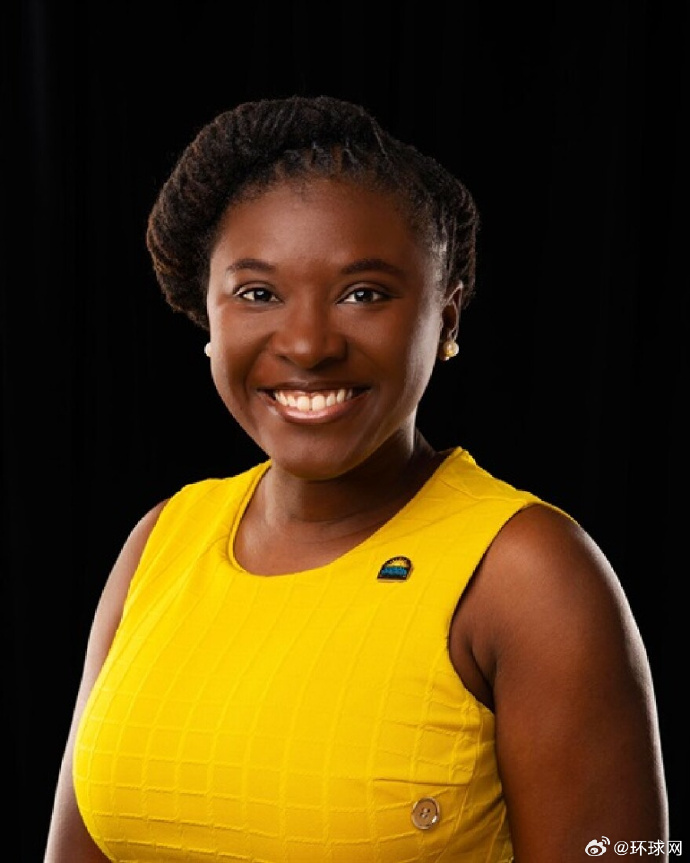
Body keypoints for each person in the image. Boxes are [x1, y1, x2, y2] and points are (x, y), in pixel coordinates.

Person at [44, 94, 668, 863]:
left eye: (363, 293)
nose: (308, 344)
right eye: (258, 293)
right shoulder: (160, 543)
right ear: (208, 316)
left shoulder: (528, 573)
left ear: (447, 318)